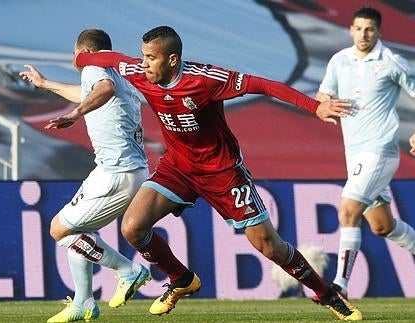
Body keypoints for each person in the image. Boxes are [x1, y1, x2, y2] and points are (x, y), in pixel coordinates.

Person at [75, 26, 362, 320]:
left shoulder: (205, 80)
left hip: (223, 172)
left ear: (172, 59)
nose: (144, 64)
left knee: (268, 245)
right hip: (178, 167)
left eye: (151, 57)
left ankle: (326, 294)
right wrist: (80, 60)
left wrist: (314, 107)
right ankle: (182, 280)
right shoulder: (138, 70)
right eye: (143, 56)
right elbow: (103, 59)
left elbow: (262, 85)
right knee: (132, 227)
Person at [19, 29, 151, 323]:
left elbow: (102, 90)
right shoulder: (120, 74)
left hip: (116, 173)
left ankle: (129, 270)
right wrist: (44, 84)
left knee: (59, 230)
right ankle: (83, 303)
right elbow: (90, 92)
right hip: (128, 170)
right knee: (78, 233)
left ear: (81, 51)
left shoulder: (94, 68)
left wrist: (75, 114)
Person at [315, 6, 415, 300]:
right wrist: (323, 104)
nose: (363, 34)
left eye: (369, 29)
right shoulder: (339, 61)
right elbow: (324, 94)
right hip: (355, 155)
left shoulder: (392, 62)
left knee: (347, 208)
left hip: (380, 151)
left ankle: (340, 286)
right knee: (383, 226)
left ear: (379, 32)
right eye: (358, 28)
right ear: (351, 30)